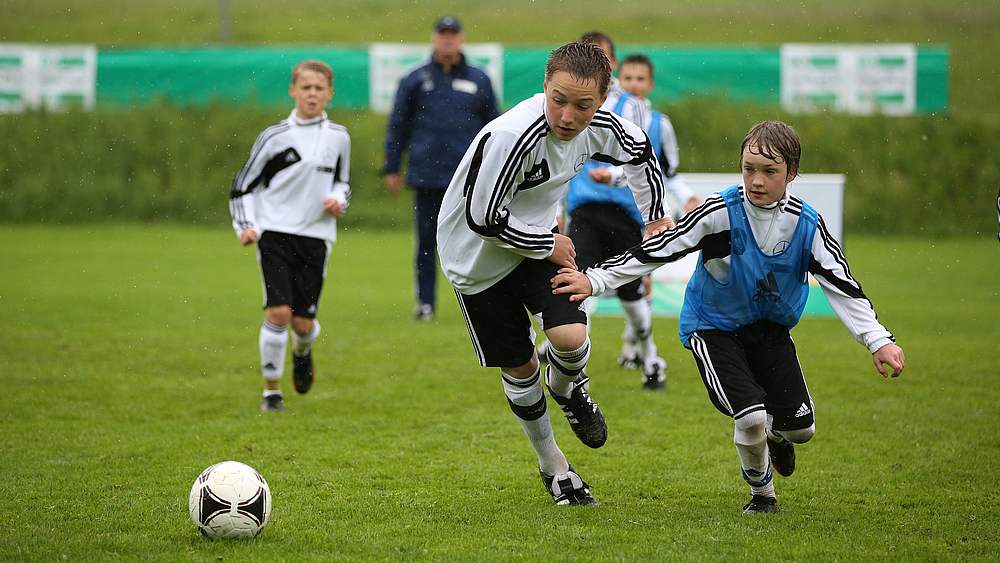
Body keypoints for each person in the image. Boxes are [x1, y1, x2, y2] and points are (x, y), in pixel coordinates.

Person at [552, 121, 905, 513]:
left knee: (801, 430)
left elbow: (843, 285)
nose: (756, 180)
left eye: (769, 171)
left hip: (769, 332)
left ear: (792, 172)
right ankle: (762, 495)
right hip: (712, 327)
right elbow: (660, 248)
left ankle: (778, 435)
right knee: (750, 416)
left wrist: (879, 340)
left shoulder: (807, 225)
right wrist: (595, 279)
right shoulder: (720, 211)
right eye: (749, 168)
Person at [437, 41, 672, 505]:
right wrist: (549, 243)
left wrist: (655, 217)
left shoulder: (604, 127)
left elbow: (642, 154)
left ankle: (567, 388)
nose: (567, 115)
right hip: (476, 262)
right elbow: (483, 218)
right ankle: (555, 467)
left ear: (603, 100)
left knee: (569, 340)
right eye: (558, 100)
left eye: (583, 105)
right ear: (544, 87)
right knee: (522, 365)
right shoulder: (512, 135)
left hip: (537, 245)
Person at [548, 34, 674, 388]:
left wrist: (617, 178)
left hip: (623, 213)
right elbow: (555, 164)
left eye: (599, 59)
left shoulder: (630, 105)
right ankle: (574, 367)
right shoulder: (561, 104)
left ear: (611, 66)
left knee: (632, 294)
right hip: (585, 211)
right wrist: (555, 210)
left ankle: (650, 358)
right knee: (577, 283)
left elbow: (641, 156)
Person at [229, 60, 351, 412]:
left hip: (316, 237)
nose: (312, 94)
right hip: (275, 232)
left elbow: (343, 182)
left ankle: (303, 351)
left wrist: (338, 200)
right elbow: (242, 186)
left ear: (329, 94)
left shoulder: (339, 137)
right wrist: (246, 225)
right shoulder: (274, 137)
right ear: (293, 91)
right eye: (305, 87)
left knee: (303, 323)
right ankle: (271, 392)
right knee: (280, 312)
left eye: (319, 88)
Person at [383, 15, 500, 321]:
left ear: (461, 38)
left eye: (453, 34)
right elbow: (398, 125)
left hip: (469, 178)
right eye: (443, 34)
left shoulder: (479, 78)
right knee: (426, 242)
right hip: (428, 175)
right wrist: (392, 167)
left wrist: (496, 168)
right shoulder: (416, 79)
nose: (448, 39)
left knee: (477, 240)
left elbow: (495, 128)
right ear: (434, 38)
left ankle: (480, 302)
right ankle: (425, 304)